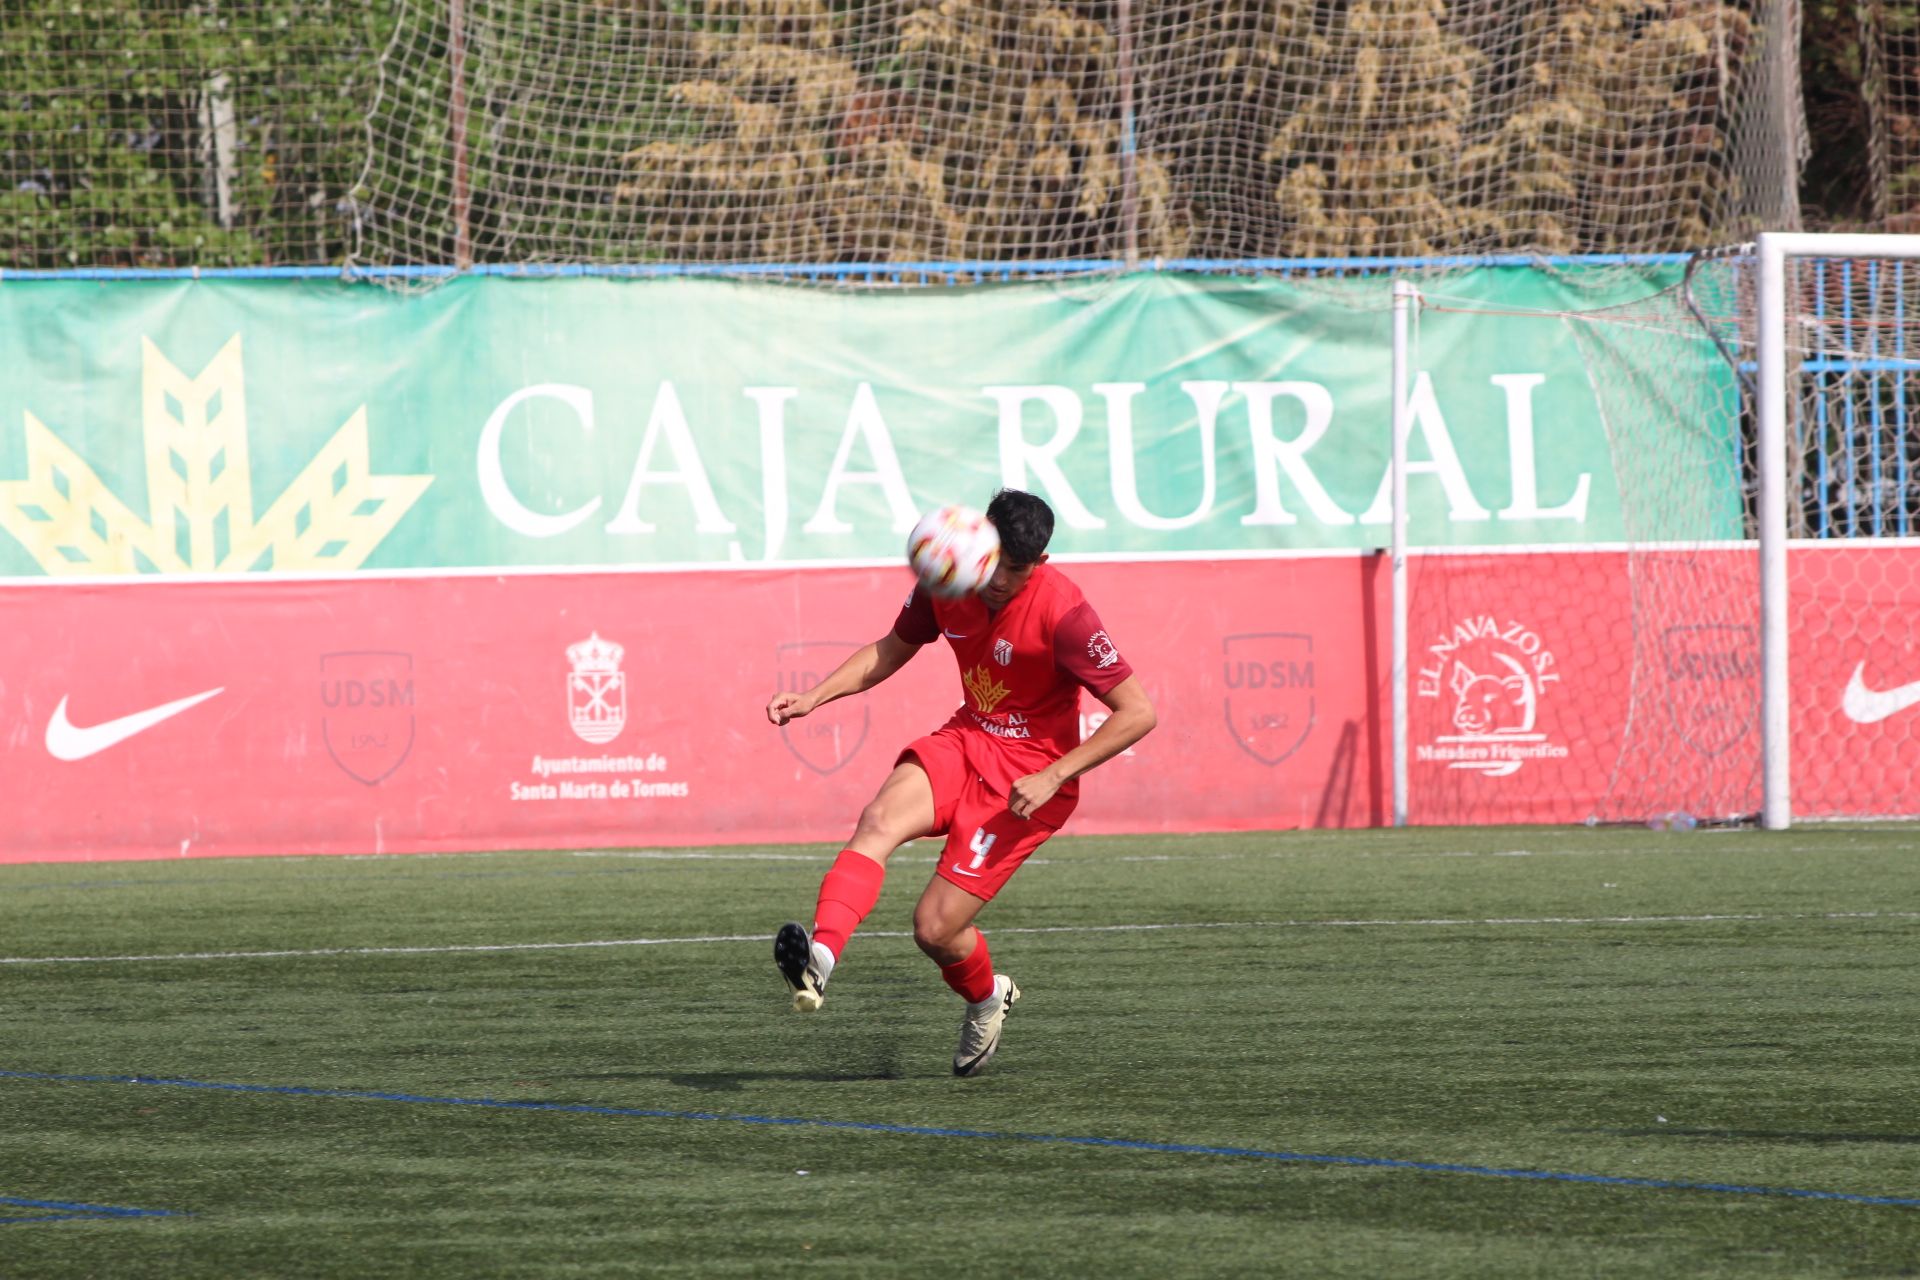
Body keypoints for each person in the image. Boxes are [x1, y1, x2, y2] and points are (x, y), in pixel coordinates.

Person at [764, 488, 1156, 1076]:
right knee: (877, 821)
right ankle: (819, 958)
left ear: (1040, 564)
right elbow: (894, 647)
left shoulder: (1067, 614)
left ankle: (986, 997)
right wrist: (814, 696)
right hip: (967, 738)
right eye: (996, 562)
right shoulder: (948, 576)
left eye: (1017, 571)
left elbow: (1138, 712)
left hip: (1028, 779)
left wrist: (1055, 774)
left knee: (934, 929)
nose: (999, 581)